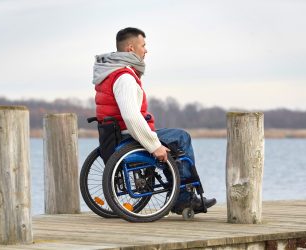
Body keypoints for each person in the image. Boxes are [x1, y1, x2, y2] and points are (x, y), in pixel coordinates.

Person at [92, 27, 216, 213]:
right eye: (143, 45)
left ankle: (179, 191)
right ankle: (183, 198)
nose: (146, 50)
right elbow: (131, 117)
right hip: (128, 136)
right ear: (131, 49)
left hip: (116, 135)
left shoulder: (109, 73)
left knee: (172, 139)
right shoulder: (124, 77)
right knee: (181, 137)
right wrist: (153, 145)